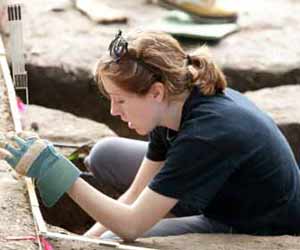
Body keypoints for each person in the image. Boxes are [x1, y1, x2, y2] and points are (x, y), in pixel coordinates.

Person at [1, 30, 300, 243]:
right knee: (104, 154)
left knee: (114, 240)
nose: (114, 111)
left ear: (155, 92)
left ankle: (167, 210)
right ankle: (163, 207)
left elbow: (130, 225)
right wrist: (81, 242)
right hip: (216, 185)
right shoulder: (174, 102)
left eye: (120, 100)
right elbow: (134, 194)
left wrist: (61, 175)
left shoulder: (206, 135)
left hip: (249, 221)